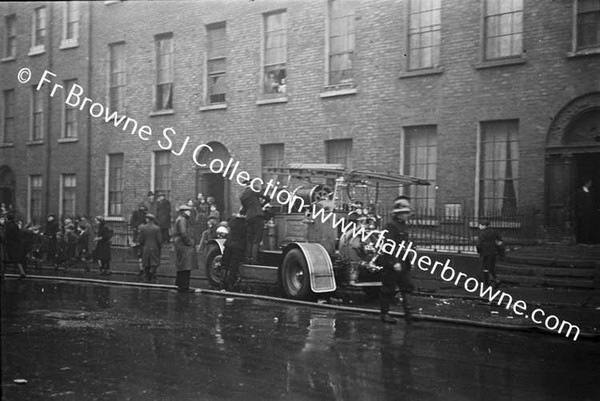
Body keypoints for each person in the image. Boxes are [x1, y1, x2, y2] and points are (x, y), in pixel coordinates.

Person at [377, 196, 415, 324]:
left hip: (404, 261)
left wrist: (411, 258)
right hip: (392, 263)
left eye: (407, 213)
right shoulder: (390, 226)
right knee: (388, 288)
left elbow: (407, 244)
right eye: (404, 213)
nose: (406, 215)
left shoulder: (404, 226)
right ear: (398, 214)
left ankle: (408, 314)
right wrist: (395, 262)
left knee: (407, 287)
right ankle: (385, 314)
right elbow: (388, 245)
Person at [239, 180, 270, 264]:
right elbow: (267, 197)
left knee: (250, 239)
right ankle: (254, 260)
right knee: (257, 239)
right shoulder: (254, 190)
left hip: (248, 218)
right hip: (258, 216)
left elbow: (244, 209)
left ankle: (247, 259)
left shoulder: (242, 195)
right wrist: (262, 205)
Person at [222, 210, 247, 291]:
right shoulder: (245, 223)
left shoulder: (232, 220)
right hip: (238, 246)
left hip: (228, 244)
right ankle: (230, 284)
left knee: (225, 264)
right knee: (234, 265)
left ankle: (222, 283)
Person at [173, 204, 196, 292]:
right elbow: (183, 233)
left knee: (181, 266)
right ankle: (184, 286)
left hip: (179, 244)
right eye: (188, 211)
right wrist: (190, 242)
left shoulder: (179, 219)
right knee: (186, 266)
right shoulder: (182, 220)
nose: (189, 212)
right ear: (184, 212)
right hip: (183, 246)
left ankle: (179, 284)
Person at [476, 218, 503, 289]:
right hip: (493, 252)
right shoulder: (494, 232)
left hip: (484, 253)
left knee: (485, 268)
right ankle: (495, 279)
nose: (479, 226)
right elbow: (500, 242)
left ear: (484, 226)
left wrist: (479, 251)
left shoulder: (482, 234)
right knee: (491, 267)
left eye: (480, 225)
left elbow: (478, 244)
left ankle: (487, 283)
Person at [137, 213, 162, 283]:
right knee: (154, 262)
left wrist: (141, 245)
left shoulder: (143, 228)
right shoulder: (157, 228)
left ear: (148, 219)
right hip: (154, 247)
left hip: (146, 247)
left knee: (146, 262)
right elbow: (159, 240)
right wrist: (160, 247)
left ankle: (147, 277)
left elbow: (141, 239)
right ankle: (153, 276)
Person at [4, 213, 27, 279]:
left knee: (5, 259)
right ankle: (22, 272)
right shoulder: (15, 225)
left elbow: (7, 235)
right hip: (15, 244)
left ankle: (2, 274)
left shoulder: (8, 225)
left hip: (10, 244)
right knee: (16, 260)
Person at [575, 178, 595, 244]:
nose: (591, 184)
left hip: (589, 212)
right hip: (583, 212)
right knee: (583, 226)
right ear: (587, 183)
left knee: (589, 226)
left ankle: (588, 239)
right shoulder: (580, 191)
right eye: (590, 183)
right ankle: (583, 240)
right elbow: (578, 202)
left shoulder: (589, 191)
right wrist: (581, 210)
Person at [130, 202, 147, 276]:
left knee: (141, 253)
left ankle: (143, 269)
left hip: (143, 236)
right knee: (139, 252)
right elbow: (132, 222)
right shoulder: (136, 213)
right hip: (137, 234)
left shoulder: (145, 214)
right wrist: (136, 227)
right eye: (141, 206)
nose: (142, 208)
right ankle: (142, 269)